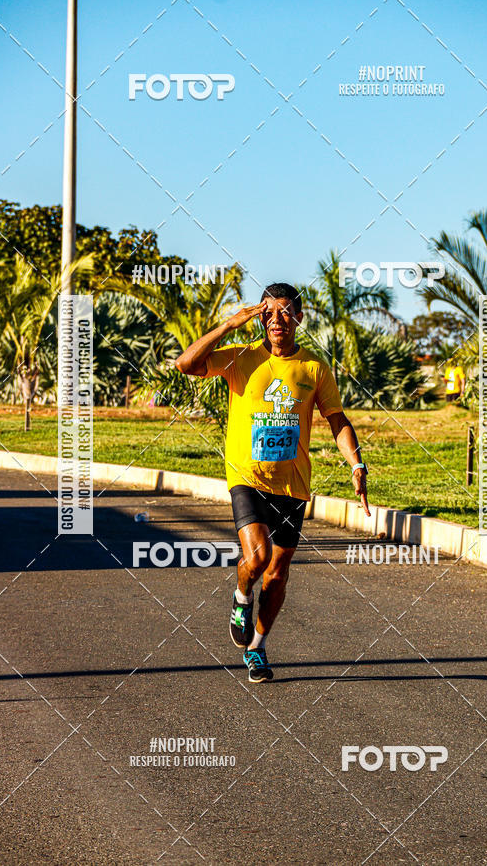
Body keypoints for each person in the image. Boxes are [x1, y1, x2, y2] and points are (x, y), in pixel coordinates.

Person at [176, 283, 370, 683]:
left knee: (278, 573)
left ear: (299, 317)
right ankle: (241, 596)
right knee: (259, 558)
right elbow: (186, 363)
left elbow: (336, 419)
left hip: (292, 484)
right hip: (246, 476)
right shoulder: (241, 359)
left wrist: (356, 463)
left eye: (285, 312)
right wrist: (231, 323)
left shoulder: (314, 368)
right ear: (260, 318)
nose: (277, 320)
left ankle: (257, 649)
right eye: (268, 313)